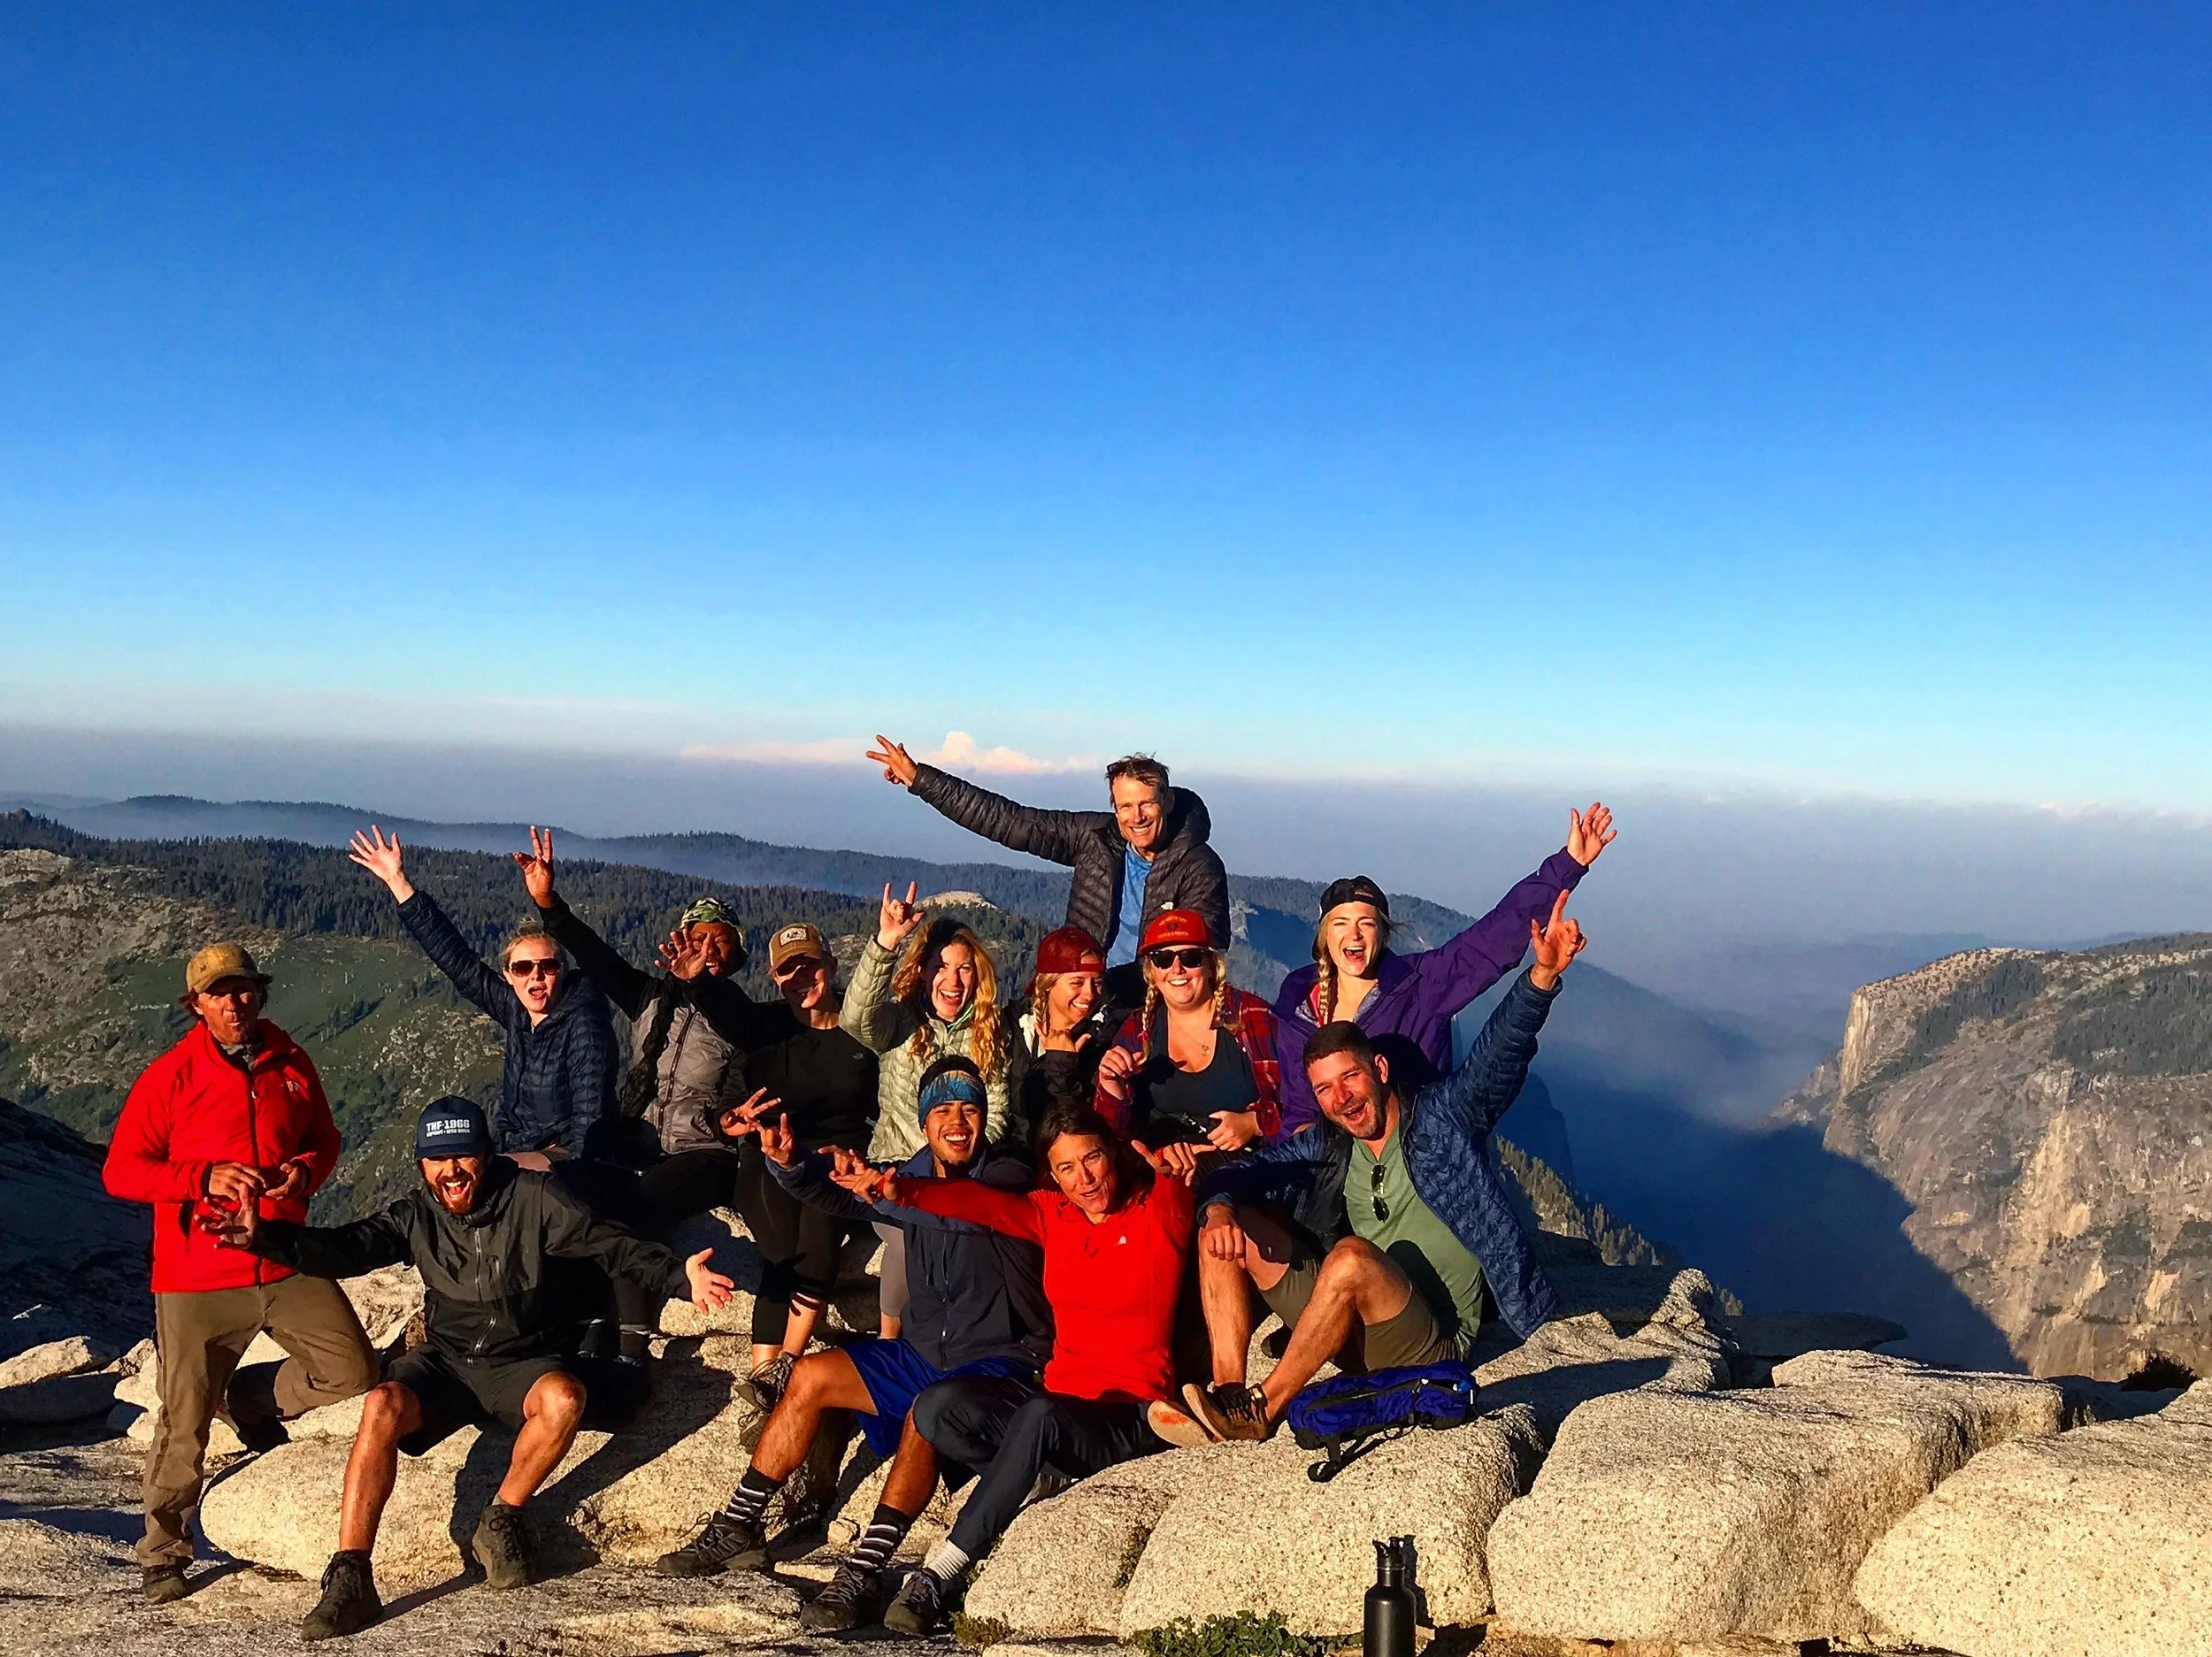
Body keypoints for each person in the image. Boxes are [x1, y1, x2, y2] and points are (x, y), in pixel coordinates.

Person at [211, 1097, 735, 1641]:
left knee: (564, 1399)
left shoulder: (534, 1198)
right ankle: (350, 1576)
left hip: (524, 1358)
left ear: (485, 1154)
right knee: (381, 1404)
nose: (452, 1171)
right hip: (448, 1363)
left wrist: (679, 1277)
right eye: (438, 1160)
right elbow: (348, 1249)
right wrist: (269, 1238)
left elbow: (611, 1245)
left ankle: (502, 1517)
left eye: (463, 1156)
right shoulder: (416, 1215)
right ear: (422, 1166)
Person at [652, 1055, 1052, 1634]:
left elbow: (945, 1212)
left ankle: (862, 1571)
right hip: (922, 1353)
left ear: (984, 1115)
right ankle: (739, 1523)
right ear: (924, 1121)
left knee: (926, 1411)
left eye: (969, 1107)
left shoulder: (1007, 1174)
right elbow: (847, 1195)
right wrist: (791, 1164)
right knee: (810, 1376)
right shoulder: (913, 1171)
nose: (957, 1120)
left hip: (999, 1359)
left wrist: (888, 1192)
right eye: (942, 1109)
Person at [1175, 890, 1587, 1445]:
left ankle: (1263, 1409)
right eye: (1323, 1090)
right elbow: (1244, 1171)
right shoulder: (1332, 1141)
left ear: (1381, 1069)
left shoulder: (1444, 1118)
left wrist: (1541, 977)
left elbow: (1499, 1055)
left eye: (1350, 1079)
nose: (1341, 1099)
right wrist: (1221, 1205)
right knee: (1222, 1226)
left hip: (1430, 1337)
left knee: (1347, 1259)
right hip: (1354, 1327)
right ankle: (1228, 1394)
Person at [516, 832, 879, 1392]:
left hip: (704, 1154)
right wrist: (548, 903)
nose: (708, 947)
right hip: (630, 1139)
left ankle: (625, 1350)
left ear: (734, 957)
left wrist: (722, 1120)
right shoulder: (647, 998)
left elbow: (743, 1071)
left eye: (721, 942)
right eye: (698, 937)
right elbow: (597, 957)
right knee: (564, 1191)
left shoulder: (747, 1021)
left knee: (635, 1207)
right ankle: (573, 1325)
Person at [101, 943, 380, 1606]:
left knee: (354, 1371)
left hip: (284, 1255)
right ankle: (164, 1552)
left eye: (245, 989)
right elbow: (120, 1170)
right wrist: (199, 1177)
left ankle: (248, 1398)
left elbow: (325, 1135)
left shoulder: (291, 1062)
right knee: (183, 1416)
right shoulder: (170, 1076)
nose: (235, 1002)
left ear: (261, 993)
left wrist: (304, 1171)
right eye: (219, 992)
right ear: (196, 1005)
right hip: (197, 1273)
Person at [850, 1102, 1195, 1635]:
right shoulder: (1051, 1214)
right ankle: (1032, 1475)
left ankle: (941, 1573)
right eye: (1066, 1168)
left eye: (1093, 1159)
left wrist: (1174, 1173)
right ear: (1052, 1176)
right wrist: (904, 1193)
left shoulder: (1157, 1209)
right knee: (940, 1407)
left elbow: (1177, 1187)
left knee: (1038, 1415)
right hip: (1055, 1403)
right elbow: (979, 1204)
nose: (1084, 1179)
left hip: (1126, 1414)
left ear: (1115, 1155)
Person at [1271, 804, 1615, 1135]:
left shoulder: (1422, 985)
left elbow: (1492, 939)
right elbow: (1299, 1110)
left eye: (1367, 923)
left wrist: (1568, 865)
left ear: (1384, 933)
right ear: (1324, 936)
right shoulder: (1298, 1007)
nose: (1354, 934)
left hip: (1416, 1166)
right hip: (1337, 1177)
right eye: (1341, 924)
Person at [864, 740, 1227, 1006]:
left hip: (1144, 1006)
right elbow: (1009, 821)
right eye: (1126, 806)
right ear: (1114, 810)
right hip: (1075, 991)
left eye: (1146, 803)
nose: (1138, 817)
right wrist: (921, 781)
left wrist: (1100, 988)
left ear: (1167, 800)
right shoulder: (1095, 839)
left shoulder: (1199, 867)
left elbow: (1194, 957)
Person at [348, 825, 617, 1168]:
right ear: (509, 975)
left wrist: (575, 1183)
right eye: (522, 968)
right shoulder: (518, 1012)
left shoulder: (584, 1022)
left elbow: (590, 1118)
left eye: (546, 966)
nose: (535, 975)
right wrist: (398, 883)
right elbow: (457, 960)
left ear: (561, 971)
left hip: (564, 1159)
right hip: (516, 1147)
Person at [841, 880, 1018, 1339]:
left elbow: (996, 1112)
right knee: (907, 1236)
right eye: (940, 967)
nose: (952, 982)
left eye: (964, 970)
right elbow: (854, 1020)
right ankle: (890, 1344)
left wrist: (958, 1156)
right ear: (921, 972)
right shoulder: (899, 1021)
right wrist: (885, 944)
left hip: (962, 1177)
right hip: (893, 1170)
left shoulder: (988, 1032)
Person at [1095, 909, 1282, 1170]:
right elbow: (1115, 1132)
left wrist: (1254, 1123)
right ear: (1152, 972)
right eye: (1163, 959)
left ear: (1210, 966)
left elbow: (1296, 1099)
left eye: (1191, 957)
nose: (1177, 969)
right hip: (1165, 1168)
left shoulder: (1251, 1016)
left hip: (1247, 1170)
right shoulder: (1140, 1028)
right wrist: (1110, 1084)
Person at [1015, 924, 1109, 1133]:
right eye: (1077, 982)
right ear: (1048, 983)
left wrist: (1062, 1067)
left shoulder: (1104, 1039)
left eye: (1097, 982)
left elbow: (1083, 1128)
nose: (1090, 994)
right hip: (1014, 1156)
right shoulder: (1015, 1026)